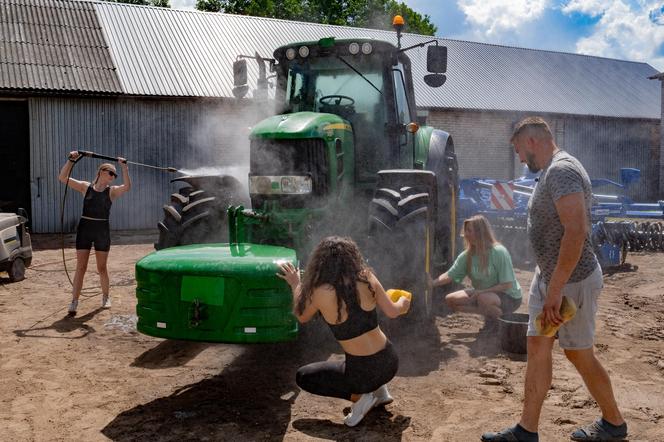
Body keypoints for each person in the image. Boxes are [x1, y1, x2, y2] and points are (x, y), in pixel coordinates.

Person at [482, 117, 626, 442]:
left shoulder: (562, 170)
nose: (520, 158)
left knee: (578, 353)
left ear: (532, 141)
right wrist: (548, 283)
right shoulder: (548, 172)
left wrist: (556, 290)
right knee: (537, 344)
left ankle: (615, 423)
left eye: (519, 150)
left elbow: (576, 232)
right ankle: (526, 430)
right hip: (549, 277)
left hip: (572, 282)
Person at [277, 236, 410, 427]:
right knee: (353, 361)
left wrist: (295, 283)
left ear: (320, 264)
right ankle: (380, 392)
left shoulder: (320, 291)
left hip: (362, 374)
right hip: (390, 362)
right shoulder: (367, 277)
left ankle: (360, 398)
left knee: (303, 376)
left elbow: (301, 316)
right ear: (352, 258)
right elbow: (393, 311)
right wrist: (402, 303)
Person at [58, 151, 132, 316]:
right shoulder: (86, 187)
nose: (113, 176)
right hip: (85, 228)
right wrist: (71, 160)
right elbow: (63, 178)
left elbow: (127, 187)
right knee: (81, 267)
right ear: (101, 172)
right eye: (111, 172)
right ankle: (74, 301)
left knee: (102, 267)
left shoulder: (111, 191)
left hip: (102, 231)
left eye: (115, 174)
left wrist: (124, 168)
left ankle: (106, 297)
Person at [430, 214, 522, 330]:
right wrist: (432, 283)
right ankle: (492, 314)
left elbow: (506, 284)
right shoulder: (467, 255)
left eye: (469, 231)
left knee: (483, 299)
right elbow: (450, 274)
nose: (465, 234)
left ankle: (498, 322)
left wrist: (480, 292)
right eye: (465, 231)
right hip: (482, 293)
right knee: (451, 299)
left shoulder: (499, 252)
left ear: (480, 232)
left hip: (509, 296)